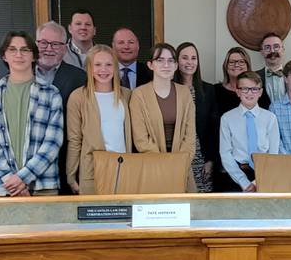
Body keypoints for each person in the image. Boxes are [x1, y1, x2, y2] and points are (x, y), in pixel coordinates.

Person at [0, 31, 63, 196]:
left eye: (25, 50)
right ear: (4, 56)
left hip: (43, 186)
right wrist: (11, 179)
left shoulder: (51, 93)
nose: (19, 54)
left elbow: (53, 142)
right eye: (12, 50)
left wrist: (23, 178)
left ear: (33, 56)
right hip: (6, 187)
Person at [129, 43, 196, 191]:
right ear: (150, 65)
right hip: (152, 165)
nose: (166, 64)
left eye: (171, 60)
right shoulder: (139, 95)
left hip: (181, 166)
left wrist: (179, 163)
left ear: (176, 65)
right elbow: (141, 140)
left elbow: (190, 136)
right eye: (160, 60)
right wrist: (164, 164)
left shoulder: (185, 93)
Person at [65, 45, 132, 194]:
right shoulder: (78, 97)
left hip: (123, 168)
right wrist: (71, 176)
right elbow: (75, 140)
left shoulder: (126, 95)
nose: (104, 70)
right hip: (92, 169)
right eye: (97, 64)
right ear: (89, 67)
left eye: (109, 65)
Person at [35, 21, 86, 194]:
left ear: (64, 49)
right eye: (43, 43)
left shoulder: (80, 78)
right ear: (35, 45)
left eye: (56, 44)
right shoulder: (20, 76)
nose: (48, 48)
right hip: (29, 162)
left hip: (66, 160)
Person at [219, 71, 280, 192]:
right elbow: (225, 153)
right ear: (237, 92)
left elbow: (273, 153)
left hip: (265, 173)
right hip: (237, 174)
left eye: (254, 89)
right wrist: (244, 182)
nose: (250, 93)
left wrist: (258, 181)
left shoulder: (270, 118)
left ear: (260, 92)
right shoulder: (227, 118)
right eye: (244, 89)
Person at [174, 42, 217, 193]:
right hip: (177, 154)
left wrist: (210, 159)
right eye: (185, 58)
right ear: (176, 61)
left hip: (201, 156)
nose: (189, 62)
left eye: (193, 58)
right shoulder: (169, 89)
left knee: (201, 200)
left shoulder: (208, 90)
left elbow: (213, 128)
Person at [214, 47, 253, 115]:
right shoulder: (215, 91)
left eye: (241, 62)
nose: (236, 65)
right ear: (226, 66)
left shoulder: (256, 90)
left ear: (247, 66)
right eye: (232, 62)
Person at [255, 32, 287, 109]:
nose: (272, 51)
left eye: (276, 47)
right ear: (262, 52)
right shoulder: (253, 77)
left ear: (283, 50)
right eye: (267, 47)